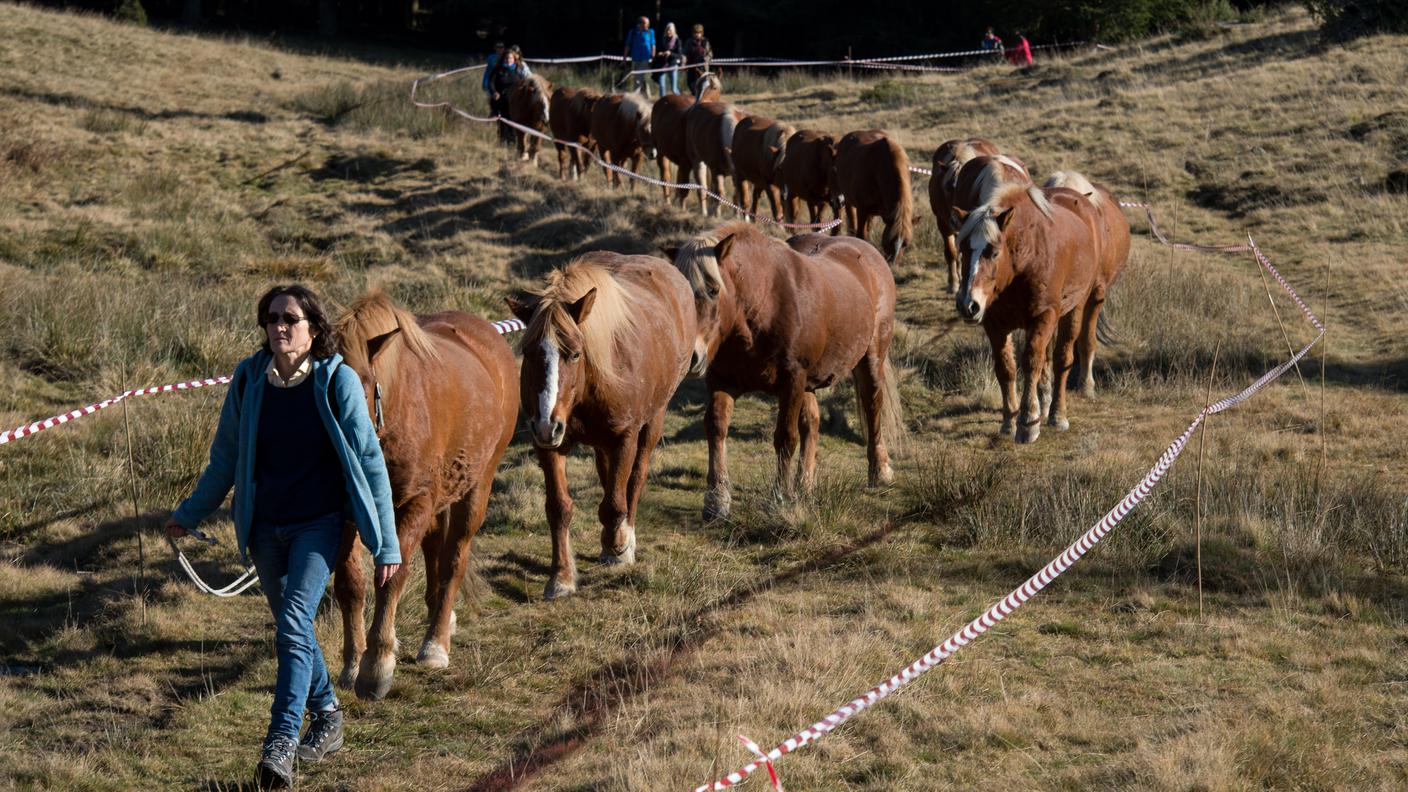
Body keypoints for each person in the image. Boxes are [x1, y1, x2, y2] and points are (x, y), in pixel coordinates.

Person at [164, 284, 400, 790]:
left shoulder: (337, 382)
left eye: (290, 318)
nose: (280, 327)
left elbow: (370, 463)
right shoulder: (250, 380)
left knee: (293, 622)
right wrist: (188, 513)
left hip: (319, 526)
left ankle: (280, 746)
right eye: (271, 319)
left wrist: (388, 544)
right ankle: (329, 715)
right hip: (264, 529)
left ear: (313, 329)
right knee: (296, 630)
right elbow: (225, 459)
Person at [489, 48, 527, 143]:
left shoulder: (518, 70)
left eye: (510, 58)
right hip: (501, 100)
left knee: (513, 121)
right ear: (503, 59)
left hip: (515, 101)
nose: (508, 60)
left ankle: (512, 140)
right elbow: (491, 83)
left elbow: (523, 84)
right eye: (506, 58)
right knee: (502, 121)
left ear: (514, 59)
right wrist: (494, 92)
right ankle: (503, 140)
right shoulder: (498, 70)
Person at [623, 15, 656, 97]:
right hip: (635, 58)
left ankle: (634, 96)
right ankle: (647, 95)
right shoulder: (633, 32)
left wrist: (653, 56)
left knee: (638, 77)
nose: (647, 25)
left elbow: (653, 44)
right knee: (641, 78)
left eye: (648, 23)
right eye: (646, 23)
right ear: (640, 23)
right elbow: (628, 45)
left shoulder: (650, 32)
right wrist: (624, 58)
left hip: (646, 58)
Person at [682, 23, 713, 94]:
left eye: (699, 32)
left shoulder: (705, 42)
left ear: (702, 33)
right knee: (691, 85)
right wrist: (683, 63)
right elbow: (684, 54)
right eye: (695, 32)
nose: (697, 34)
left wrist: (705, 60)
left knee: (703, 86)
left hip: (703, 68)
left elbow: (710, 54)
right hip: (692, 68)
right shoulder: (689, 42)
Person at [655, 22, 683, 96]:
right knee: (662, 86)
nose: (668, 32)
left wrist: (670, 53)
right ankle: (662, 103)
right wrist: (660, 53)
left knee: (674, 89)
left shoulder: (678, 40)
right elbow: (658, 50)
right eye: (667, 30)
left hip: (672, 65)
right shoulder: (662, 39)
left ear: (674, 31)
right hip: (662, 65)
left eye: (670, 30)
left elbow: (679, 55)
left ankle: (681, 99)